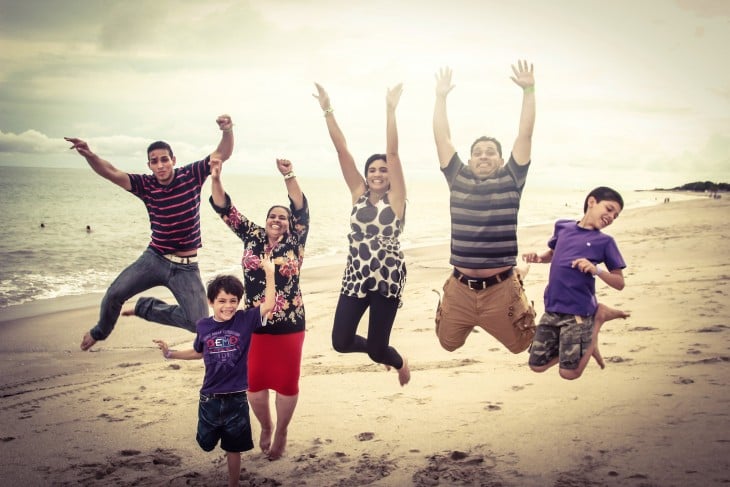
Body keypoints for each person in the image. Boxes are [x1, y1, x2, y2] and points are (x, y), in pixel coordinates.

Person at [64, 114, 234, 351]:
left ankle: (147, 308)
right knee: (114, 294)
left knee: (198, 324)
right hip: (154, 259)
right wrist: (90, 156)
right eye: (154, 161)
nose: (160, 165)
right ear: (149, 165)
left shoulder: (191, 175)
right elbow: (111, 172)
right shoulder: (146, 185)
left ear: (173, 160)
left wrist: (227, 130)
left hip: (186, 267)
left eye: (164, 159)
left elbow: (221, 154)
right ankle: (99, 332)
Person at [432, 62, 537, 354]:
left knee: (522, 344)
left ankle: (518, 280)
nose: (483, 156)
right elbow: (442, 138)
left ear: (501, 160)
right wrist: (440, 98)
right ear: (468, 161)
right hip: (461, 287)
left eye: (491, 152)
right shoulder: (457, 177)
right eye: (477, 153)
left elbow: (524, 135)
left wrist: (528, 90)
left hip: (501, 289)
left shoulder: (512, 178)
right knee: (448, 344)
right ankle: (464, 308)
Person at [209, 157, 309, 461]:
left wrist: (288, 174)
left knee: (287, 383)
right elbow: (225, 209)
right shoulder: (251, 236)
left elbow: (301, 206)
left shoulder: (296, 241)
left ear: (290, 224)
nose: (277, 219)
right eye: (272, 216)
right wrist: (215, 176)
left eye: (282, 216)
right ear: (265, 221)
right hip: (253, 323)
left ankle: (282, 431)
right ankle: (266, 426)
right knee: (254, 384)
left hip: (290, 324)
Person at [313, 82, 411, 387]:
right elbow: (342, 150)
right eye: (373, 170)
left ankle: (398, 361)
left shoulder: (397, 199)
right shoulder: (357, 193)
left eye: (383, 170)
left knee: (378, 350)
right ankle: (380, 354)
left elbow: (393, 153)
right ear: (367, 176)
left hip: (387, 278)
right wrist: (327, 109)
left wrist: (390, 110)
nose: (378, 173)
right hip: (355, 275)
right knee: (340, 342)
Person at [153, 259, 276, 487]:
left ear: (238, 302)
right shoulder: (203, 326)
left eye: (233, 301)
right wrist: (170, 354)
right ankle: (210, 438)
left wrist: (270, 273)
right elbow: (198, 353)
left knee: (234, 447)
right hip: (209, 397)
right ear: (211, 302)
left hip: (237, 398)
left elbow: (269, 304)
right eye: (222, 301)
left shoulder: (245, 320)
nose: (228, 305)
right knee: (206, 442)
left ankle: (234, 483)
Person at [522, 186, 627, 380]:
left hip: (579, 312)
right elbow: (553, 254)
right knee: (536, 365)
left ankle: (597, 320)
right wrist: (538, 257)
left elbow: (619, 282)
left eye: (616, 215)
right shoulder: (563, 226)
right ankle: (583, 343)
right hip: (552, 307)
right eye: (609, 209)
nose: (611, 217)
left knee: (569, 373)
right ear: (592, 202)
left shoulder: (605, 242)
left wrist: (597, 269)